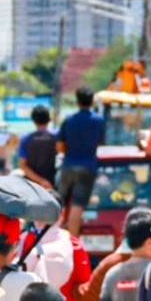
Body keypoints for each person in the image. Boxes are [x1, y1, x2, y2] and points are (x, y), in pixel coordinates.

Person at [56, 87, 107, 234]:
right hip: (88, 166)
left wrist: (70, 152)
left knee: (60, 203)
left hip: (68, 165)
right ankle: (73, 241)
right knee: (77, 204)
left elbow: (59, 146)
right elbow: (101, 143)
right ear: (92, 102)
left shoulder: (68, 120)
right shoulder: (99, 121)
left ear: (77, 102)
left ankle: (53, 235)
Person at [17, 106, 59, 190]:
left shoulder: (25, 139)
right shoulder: (56, 137)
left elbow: (23, 166)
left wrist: (41, 181)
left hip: (31, 184)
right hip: (51, 183)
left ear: (33, 121)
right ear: (49, 120)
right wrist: (45, 182)